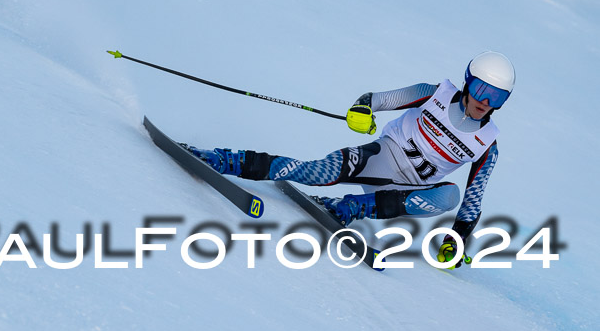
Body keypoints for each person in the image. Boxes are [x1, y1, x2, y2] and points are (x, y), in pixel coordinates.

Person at [184, 51, 515, 269]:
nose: (486, 102)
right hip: (380, 158)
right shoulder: (434, 93)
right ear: (468, 82)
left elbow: (472, 203)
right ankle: (222, 159)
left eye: (497, 97)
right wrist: (361, 110)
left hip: (403, 191)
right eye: (483, 90)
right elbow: (374, 100)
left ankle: (352, 207)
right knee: (314, 172)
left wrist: (453, 243)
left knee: (450, 196)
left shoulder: (487, 145)